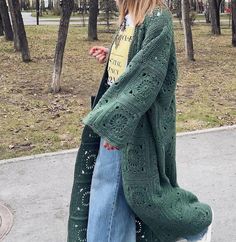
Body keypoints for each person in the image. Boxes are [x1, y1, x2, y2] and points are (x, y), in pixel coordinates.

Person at [67, 0, 214, 241]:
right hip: (117, 116)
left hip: (132, 122)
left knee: (130, 195)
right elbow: (134, 60)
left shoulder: (157, 18)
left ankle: (196, 225)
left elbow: (149, 78)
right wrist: (111, 54)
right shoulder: (129, 17)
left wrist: (118, 125)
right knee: (114, 193)